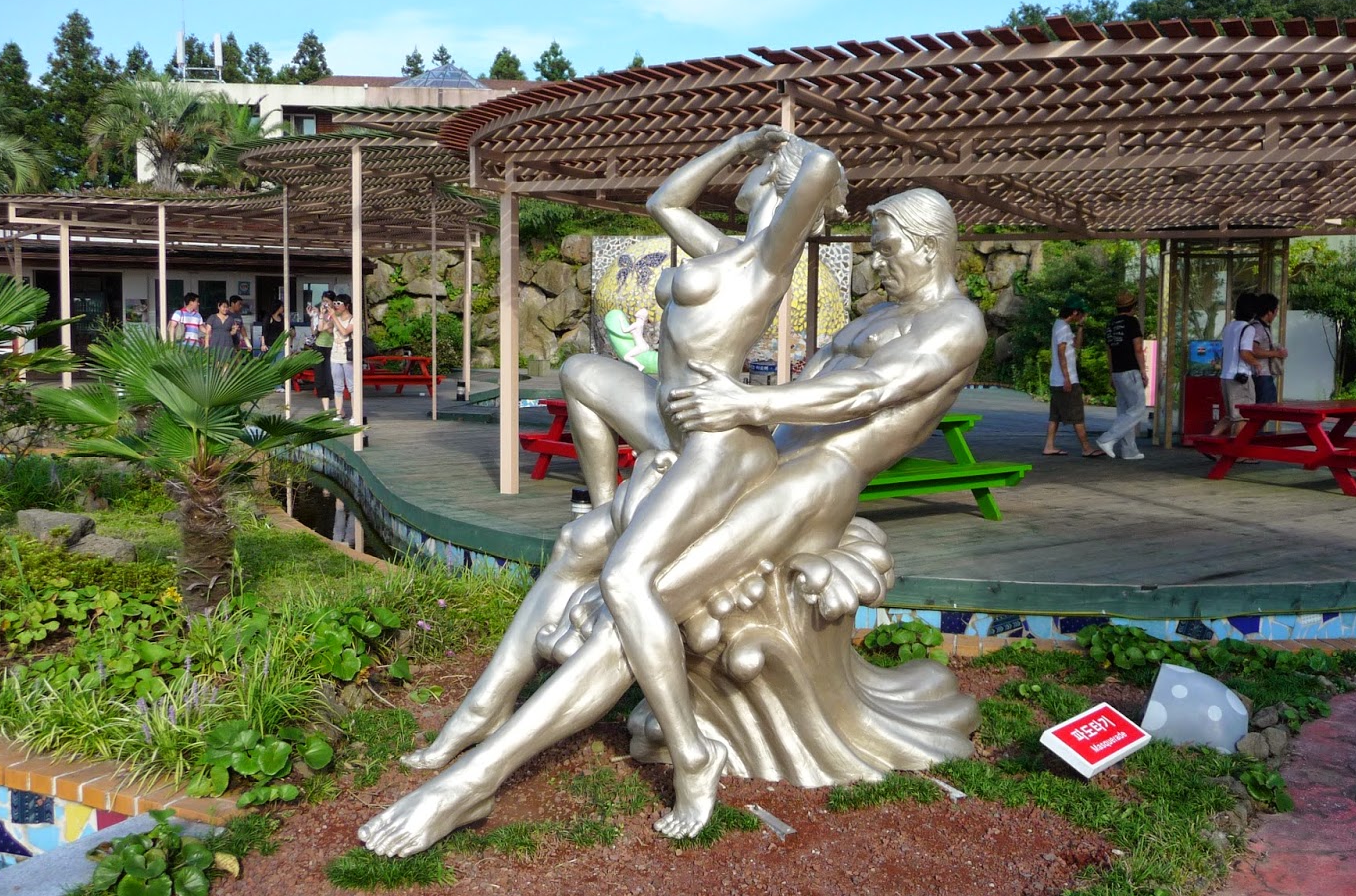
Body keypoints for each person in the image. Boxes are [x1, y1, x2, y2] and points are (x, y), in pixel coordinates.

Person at [360, 187, 986, 859]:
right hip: (764, 458)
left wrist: (747, 401)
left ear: (930, 246)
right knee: (581, 541)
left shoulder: (956, 324)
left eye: (888, 250)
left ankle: (477, 782)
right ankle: (483, 708)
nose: (878, 263)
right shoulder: (881, 314)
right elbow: (809, 388)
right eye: (877, 250)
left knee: (641, 598)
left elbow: (871, 390)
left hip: (816, 485)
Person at [555, 125, 846, 838]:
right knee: (580, 372)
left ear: (780, 184)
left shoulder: (772, 256)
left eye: (764, 167)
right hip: (666, 418)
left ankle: (692, 757)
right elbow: (663, 201)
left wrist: (789, 149)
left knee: (627, 583)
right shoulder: (723, 248)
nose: (748, 173)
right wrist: (740, 142)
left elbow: (823, 167)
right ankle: (607, 508)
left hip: (715, 441)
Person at [1043, 294, 1102, 457]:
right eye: (1081, 313)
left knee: (1055, 416)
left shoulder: (1061, 325)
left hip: (1057, 380)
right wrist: (1067, 378)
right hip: (1065, 380)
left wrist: (1081, 327)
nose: (1082, 316)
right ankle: (1086, 448)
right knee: (1077, 415)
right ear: (1075, 312)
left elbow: (1077, 345)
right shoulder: (1062, 327)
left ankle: (1049, 446)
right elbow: (1061, 353)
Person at [1095, 290, 1149, 460]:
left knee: (1125, 411)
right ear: (1133, 306)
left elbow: (1109, 351)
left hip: (1117, 372)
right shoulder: (1132, 322)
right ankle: (1107, 438)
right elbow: (1138, 348)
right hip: (1131, 370)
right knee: (1138, 409)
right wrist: (1143, 371)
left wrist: (1111, 373)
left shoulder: (1111, 324)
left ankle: (1129, 450)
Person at [1209, 293, 1260, 438]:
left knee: (1230, 416)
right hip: (1240, 379)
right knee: (1243, 417)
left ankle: (1208, 442)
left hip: (1226, 377)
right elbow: (1244, 353)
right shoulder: (1248, 329)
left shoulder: (1229, 327)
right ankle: (1238, 449)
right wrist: (1256, 363)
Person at [1249, 293, 1286, 405]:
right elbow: (1254, 349)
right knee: (1266, 408)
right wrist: (1276, 353)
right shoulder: (1258, 328)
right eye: (1276, 310)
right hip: (1262, 375)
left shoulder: (1260, 326)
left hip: (1262, 375)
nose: (1276, 314)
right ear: (1269, 312)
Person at [329, 294, 355, 412]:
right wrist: (320, 315)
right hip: (335, 356)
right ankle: (339, 413)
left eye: (339, 303)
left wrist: (334, 317)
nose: (336, 306)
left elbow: (345, 332)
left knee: (352, 386)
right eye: (334, 303)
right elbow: (321, 329)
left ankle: (355, 414)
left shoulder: (353, 319)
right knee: (337, 387)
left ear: (347, 305)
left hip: (347, 356)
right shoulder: (335, 318)